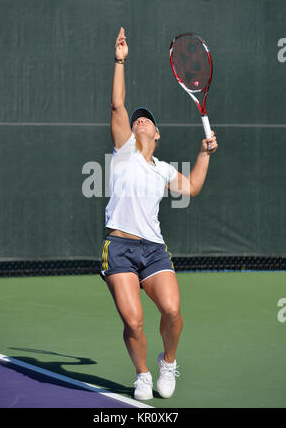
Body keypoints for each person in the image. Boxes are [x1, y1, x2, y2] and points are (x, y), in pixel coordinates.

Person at [100, 27, 218, 400]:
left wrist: (204, 155)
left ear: (157, 133)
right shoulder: (123, 151)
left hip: (153, 249)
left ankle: (168, 362)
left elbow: (193, 187)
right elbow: (118, 106)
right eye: (137, 120)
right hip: (118, 248)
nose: (139, 121)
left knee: (171, 310)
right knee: (133, 321)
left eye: (146, 120)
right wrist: (120, 60)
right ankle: (143, 375)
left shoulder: (163, 169)